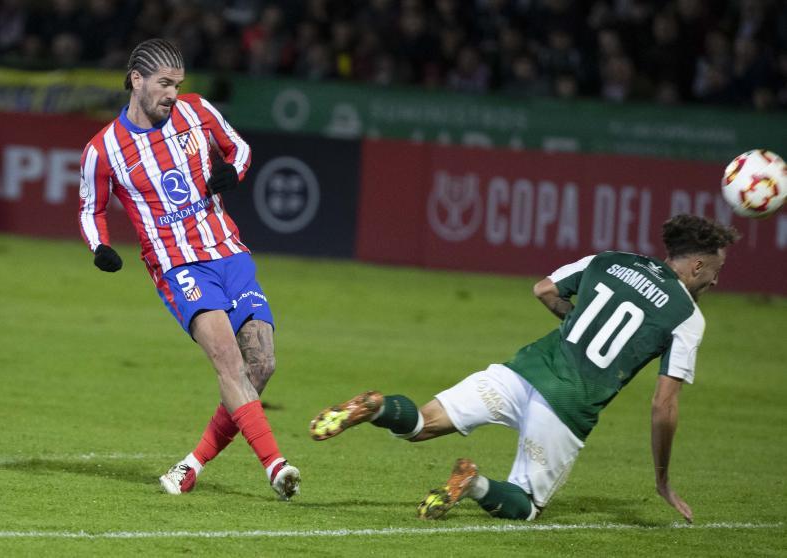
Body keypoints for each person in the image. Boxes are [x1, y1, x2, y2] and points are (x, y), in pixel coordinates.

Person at [310, 214, 739, 521]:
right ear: (697, 265)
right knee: (525, 505)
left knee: (422, 423)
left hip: (522, 371)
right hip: (568, 407)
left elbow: (544, 289)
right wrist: (662, 478)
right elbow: (664, 405)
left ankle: (377, 405)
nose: (716, 282)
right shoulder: (688, 316)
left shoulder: (610, 259)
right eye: (716, 271)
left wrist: (574, 321)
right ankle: (473, 483)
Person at [78, 38, 300, 500]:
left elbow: (237, 148)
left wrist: (232, 172)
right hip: (178, 266)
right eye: (164, 84)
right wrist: (100, 246)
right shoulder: (104, 149)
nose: (173, 93)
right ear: (136, 80)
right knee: (228, 359)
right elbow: (90, 208)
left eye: (178, 84)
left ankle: (191, 464)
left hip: (229, 253)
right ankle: (276, 466)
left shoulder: (197, 110)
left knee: (261, 365)